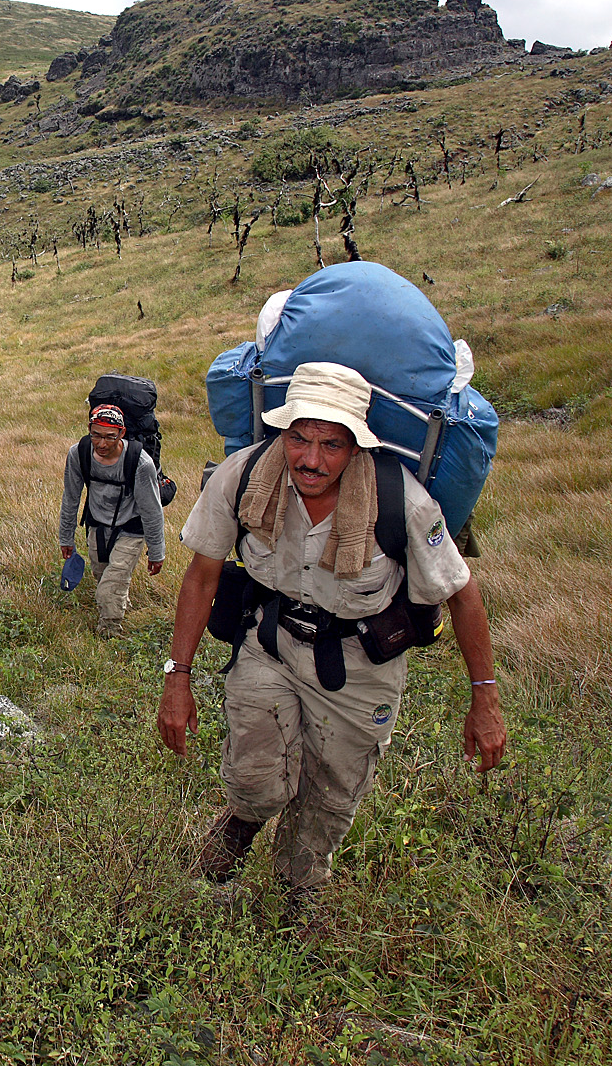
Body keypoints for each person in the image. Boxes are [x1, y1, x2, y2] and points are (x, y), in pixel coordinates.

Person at [156, 361, 506, 895]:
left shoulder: (403, 501)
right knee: (255, 780)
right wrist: (176, 678)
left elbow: (462, 593)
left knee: (328, 802)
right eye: (299, 439)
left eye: (331, 445)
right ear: (283, 431)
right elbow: (201, 577)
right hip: (268, 648)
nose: (311, 460)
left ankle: (301, 894)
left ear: (357, 446)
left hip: (361, 668)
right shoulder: (245, 477)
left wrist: (485, 698)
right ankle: (241, 823)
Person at [59, 404, 166, 638]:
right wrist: (66, 537)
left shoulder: (140, 463)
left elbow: (152, 511)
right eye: (95, 435)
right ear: (88, 429)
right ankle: (117, 606)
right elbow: (71, 498)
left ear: (122, 433)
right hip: (97, 525)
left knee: (109, 588)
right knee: (103, 577)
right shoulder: (78, 453)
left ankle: (109, 631)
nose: (102, 443)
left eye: (110, 437)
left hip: (131, 528)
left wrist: (156, 552)